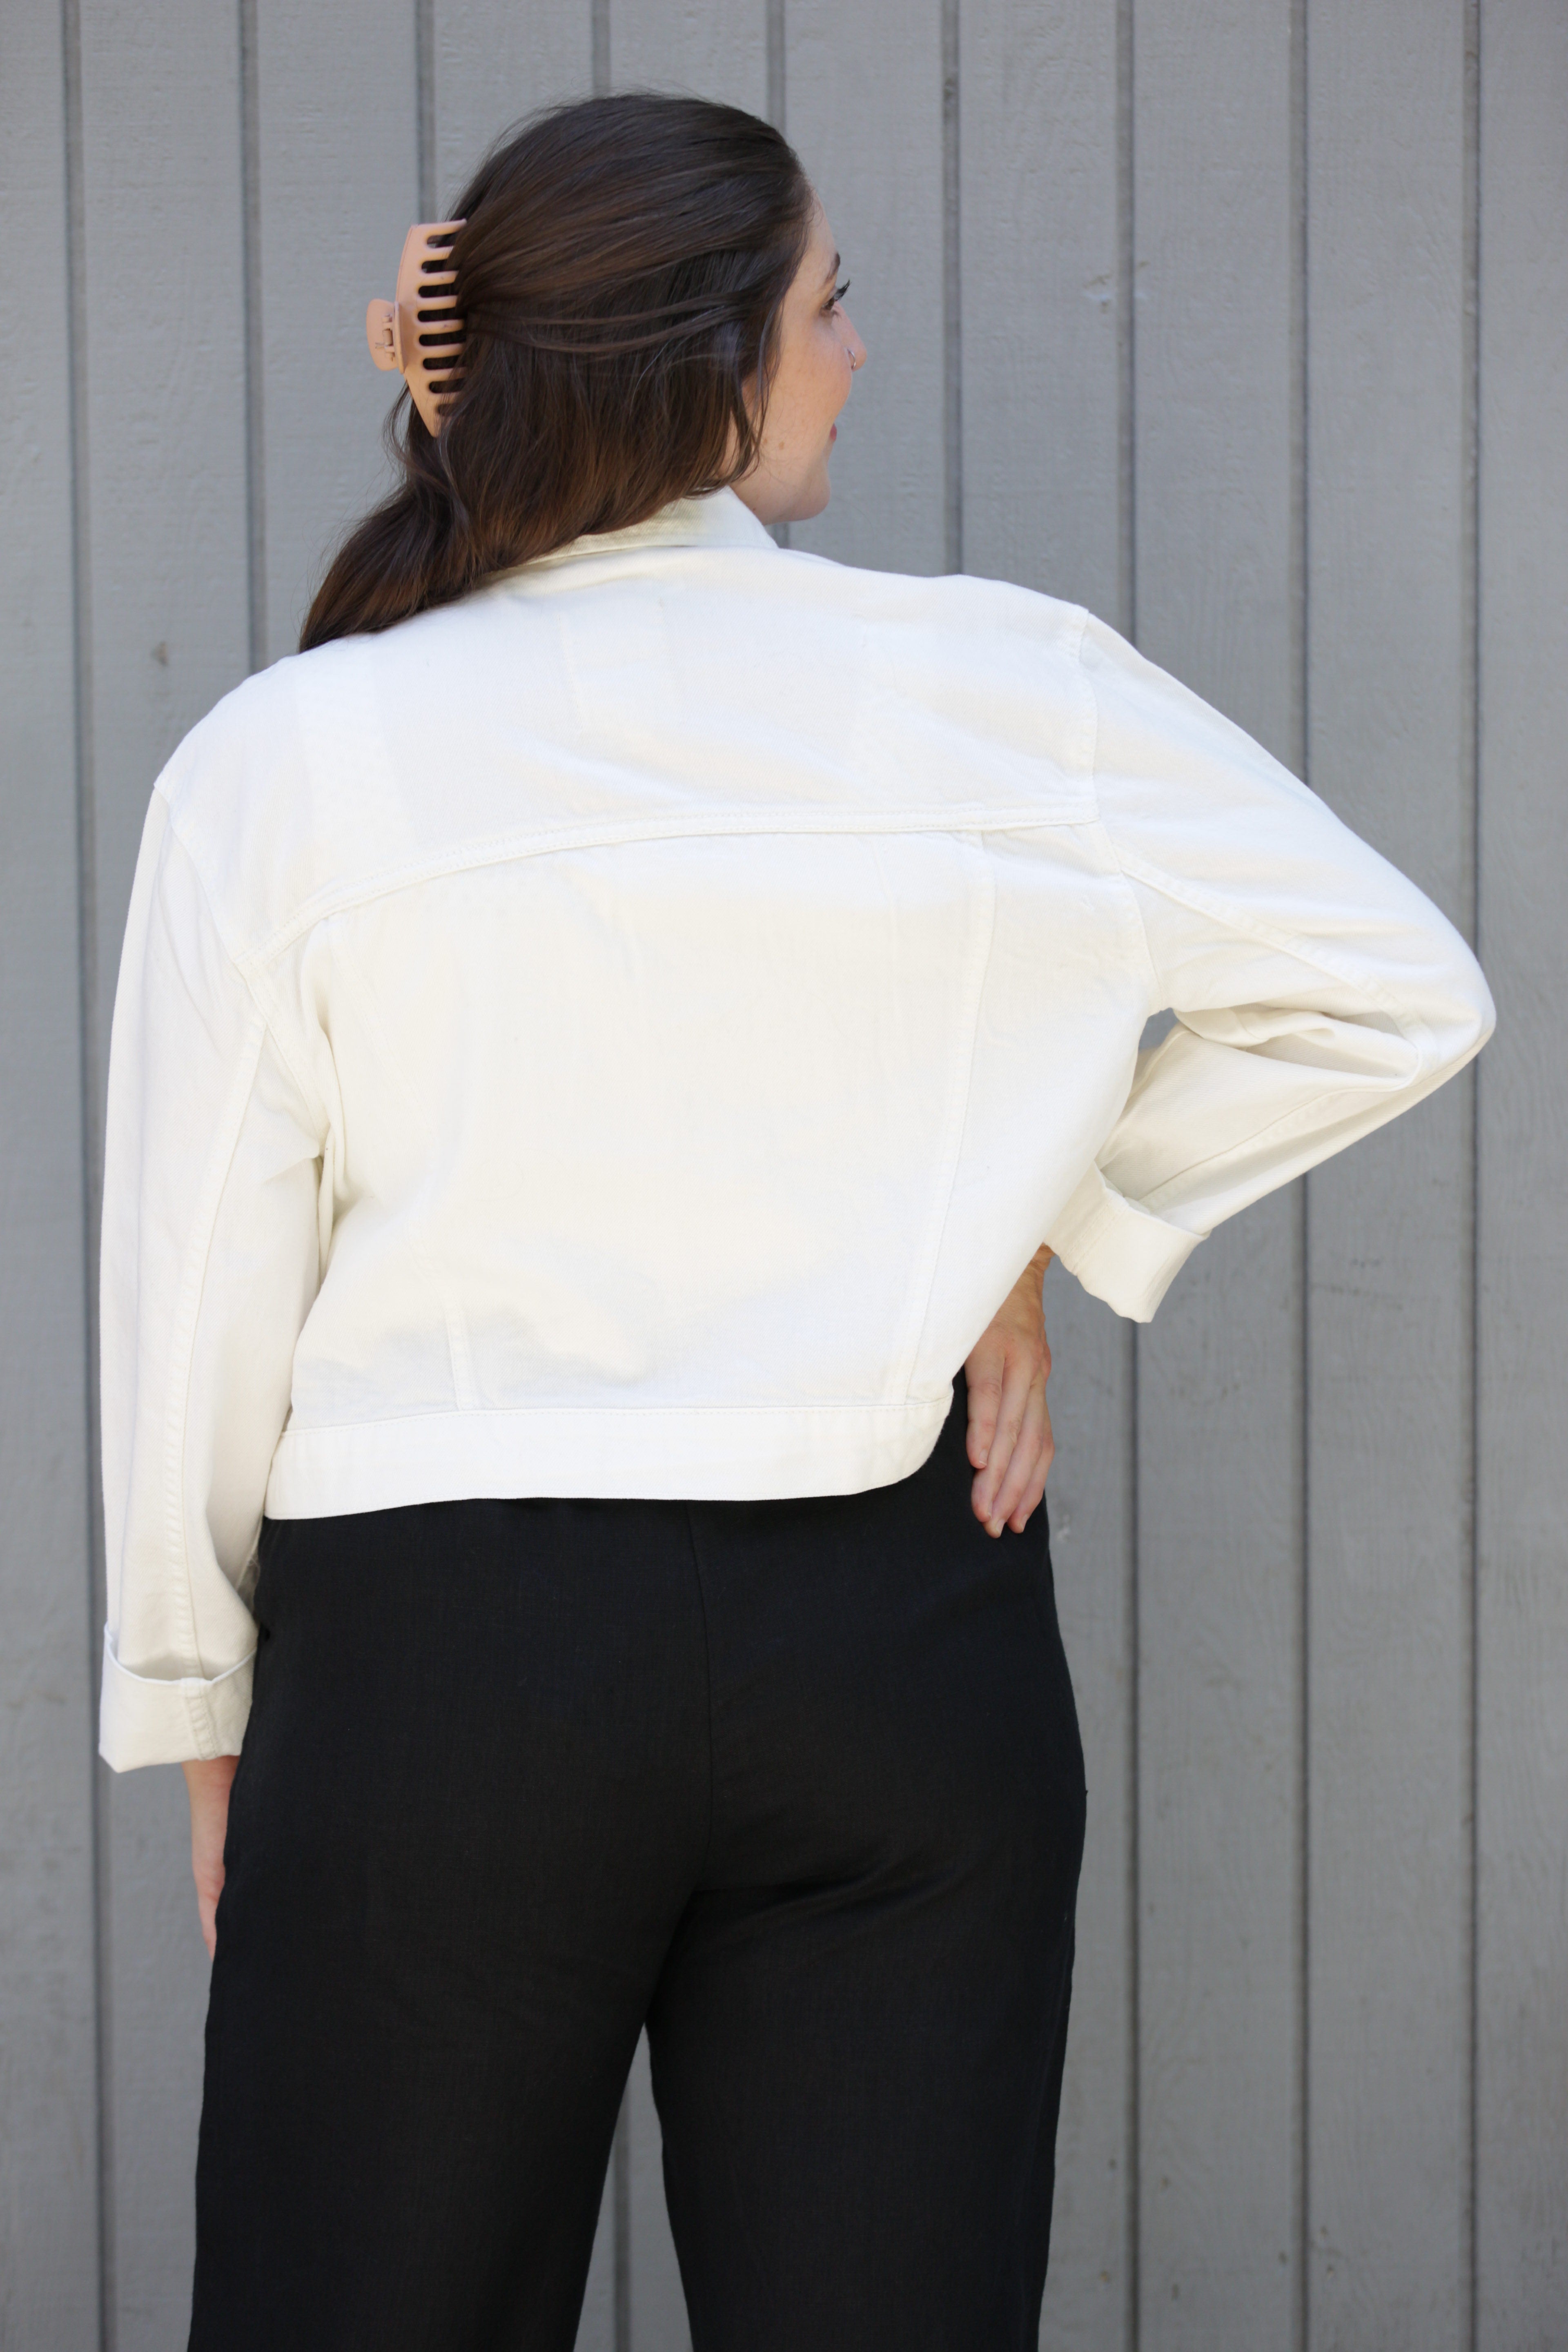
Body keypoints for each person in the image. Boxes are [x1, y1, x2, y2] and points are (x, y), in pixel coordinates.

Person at [97, 93, 1492, 2352]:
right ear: (713, 363)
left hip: (442, 1669)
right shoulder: (1013, 691)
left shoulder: (288, 759)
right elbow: (1401, 987)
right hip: (898, 1634)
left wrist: (201, 1706)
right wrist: (1054, 1234)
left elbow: (197, 1295)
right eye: (830, 305)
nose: (858, 349)